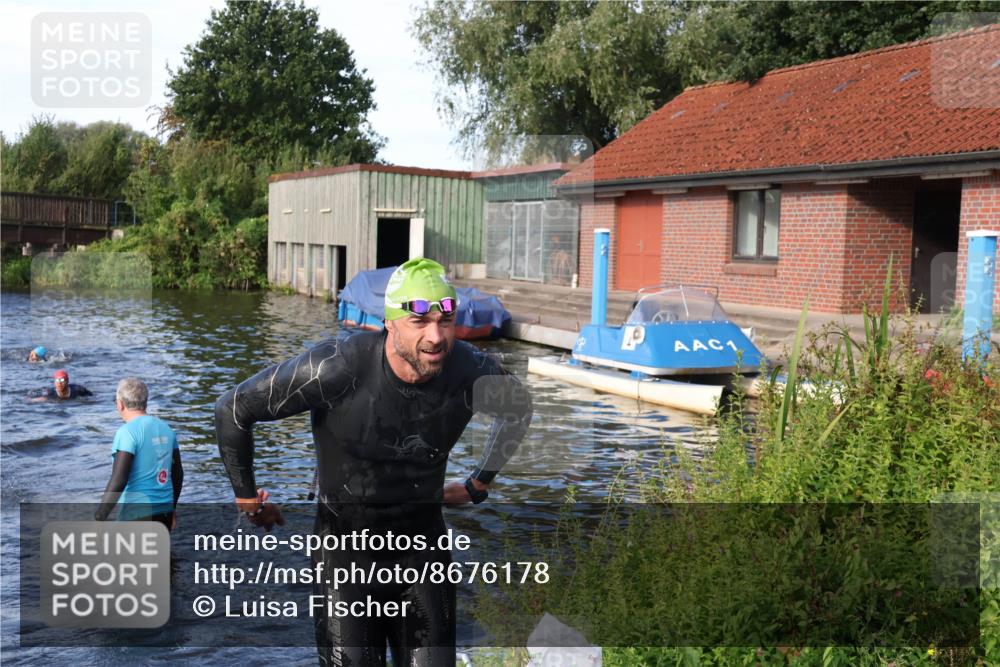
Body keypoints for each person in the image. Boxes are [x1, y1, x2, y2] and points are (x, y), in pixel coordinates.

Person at [215, 257, 533, 667]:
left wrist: (478, 483)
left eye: (445, 321)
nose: (436, 337)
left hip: (422, 552)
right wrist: (248, 502)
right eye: (420, 322)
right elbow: (234, 410)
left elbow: (519, 408)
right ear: (391, 322)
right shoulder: (337, 367)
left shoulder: (469, 371)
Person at [96, 377, 183, 529]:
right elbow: (178, 474)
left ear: (120, 404)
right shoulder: (167, 429)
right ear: (146, 402)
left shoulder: (127, 433)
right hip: (164, 512)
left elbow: (119, 480)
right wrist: (172, 508)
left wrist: (100, 517)